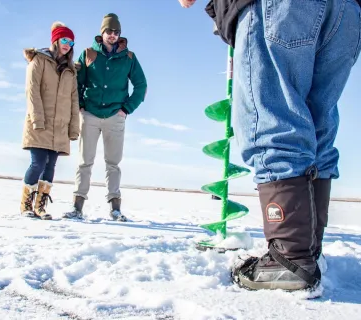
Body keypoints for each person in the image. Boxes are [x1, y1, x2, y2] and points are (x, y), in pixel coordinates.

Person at [179, 0, 361, 292]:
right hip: (346, 12)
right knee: (318, 127)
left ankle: (290, 258)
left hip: (280, 9)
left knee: (272, 120)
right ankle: (308, 250)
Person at [63, 13, 147, 221]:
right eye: (109, 31)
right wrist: (81, 106)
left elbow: (141, 86)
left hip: (115, 117)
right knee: (85, 162)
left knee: (113, 163)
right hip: (90, 114)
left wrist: (126, 109)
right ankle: (77, 207)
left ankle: (115, 209)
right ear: (102, 32)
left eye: (116, 32)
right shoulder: (88, 54)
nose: (113, 35)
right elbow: (77, 83)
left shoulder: (129, 58)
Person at [21, 21, 80, 220]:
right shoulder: (38, 61)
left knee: (50, 166)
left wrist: (73, 128)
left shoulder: (70, 71)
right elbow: (32, 92)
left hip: (60, 127)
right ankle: (26, 205)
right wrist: (37, 119)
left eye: (71, 42)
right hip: (40, 122)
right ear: (55, 40)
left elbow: (74, 101)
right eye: (64, 40)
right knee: (37, 163)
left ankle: (40, 206)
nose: (68, 44)